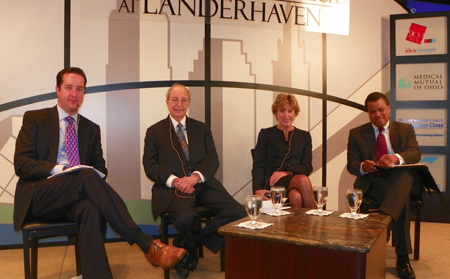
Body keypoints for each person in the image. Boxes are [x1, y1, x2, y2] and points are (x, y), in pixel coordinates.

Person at [13, 67, 186, 279]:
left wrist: (90, 174)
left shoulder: (90, 128)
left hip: (75, 197)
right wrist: (64, 170)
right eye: (68, 88)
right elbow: (22, 164)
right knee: (84, 176)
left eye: (79, 89)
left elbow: (100, 167)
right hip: (39, 196)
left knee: (90, 208)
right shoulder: (35, 119)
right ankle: (145, 243)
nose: (74, 94)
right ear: (57, 90)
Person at [143, 83, 246, 278]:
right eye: (174, 99)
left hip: (201, 183)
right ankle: (187, 250)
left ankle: (189, 245)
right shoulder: (154, 131)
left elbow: (212, 159)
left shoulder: (201, 128)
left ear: (189, 102)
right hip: (172, 188)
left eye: (183, 100)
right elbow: (150, 166)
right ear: (167, 102)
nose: (179, 104)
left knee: (238, 212)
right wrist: (175, 181)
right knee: (185, 218)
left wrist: (195, 178)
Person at [347, 92, 420, 279]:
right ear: (368, 113)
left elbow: (414, 153)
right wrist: (363, 166)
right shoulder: (356, 133)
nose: (378, 114)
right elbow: (352, 164)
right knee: (400, 202)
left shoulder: (405, 129)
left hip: (398, 179)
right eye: (372, 112)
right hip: (373, 182)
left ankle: (385, 221)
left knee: (405, 174)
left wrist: (395, 157)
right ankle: (402, 259)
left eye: (381, 110)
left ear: (389, 109)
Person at [252, 93, 316, 209]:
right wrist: (257, 189)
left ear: (295, 113)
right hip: (272, 183)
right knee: (302, 179)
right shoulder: (266, 134)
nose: (286, 115)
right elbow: (259, 164)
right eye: (282, 111)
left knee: (295, 196)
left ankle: (297, 227)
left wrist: (287, 172)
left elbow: (307, 166)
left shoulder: (304, 136)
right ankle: (316, 219)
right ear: (276, 113)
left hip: (293, 181)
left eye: (290, 111)